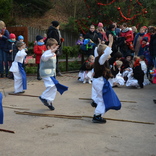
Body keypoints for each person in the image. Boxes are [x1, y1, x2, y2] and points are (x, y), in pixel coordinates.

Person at [91, 35, 121, 123]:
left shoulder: (98, 58)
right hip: (100, 81)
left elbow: (97, 51)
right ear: (103, 53)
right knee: (103, 100)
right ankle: (97, 115)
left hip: (98, 81)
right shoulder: (101, 59)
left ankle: (96, 104)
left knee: (101, 98)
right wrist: (110, 43)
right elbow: (106, 53)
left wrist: (100, 44)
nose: (110, 53)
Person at [39, 38, 68, 110]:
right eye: (53, 47)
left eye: (55, 47)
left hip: (51, 73)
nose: (55, 49)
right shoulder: (46, 53)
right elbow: (44, 58)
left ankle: (49, 101)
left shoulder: (53, 53)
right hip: (45, 73)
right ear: (48, 47)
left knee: (54, 87)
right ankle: (44, 97)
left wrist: (53, 52)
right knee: (51, 85)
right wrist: (51, 52)